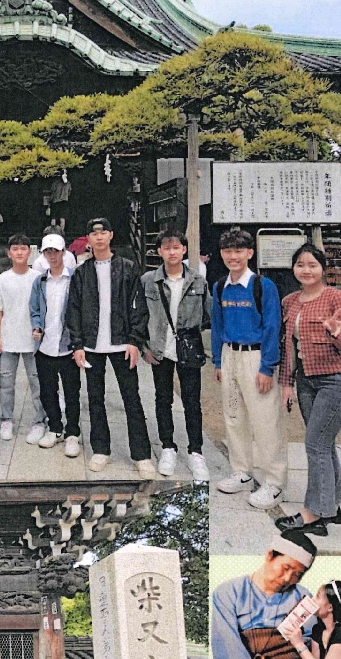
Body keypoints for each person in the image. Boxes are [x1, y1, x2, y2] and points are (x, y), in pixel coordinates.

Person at [276, 244, 341, 533]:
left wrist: (335, 331)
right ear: (294, 269)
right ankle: (332, 505)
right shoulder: (290, 301)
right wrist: (286, 383)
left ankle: (315, 514)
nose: (306, 270)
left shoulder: (337, 298)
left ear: (323, 268)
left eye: (312, 265)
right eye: (300, 265)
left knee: (315, 444)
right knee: (324, 443)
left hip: (337, 380)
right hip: (306, 381)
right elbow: (288, 346)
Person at [63, 215, 154, 478]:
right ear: (88, 239)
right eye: (94, 233)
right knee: (95, 400)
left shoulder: (127, 267)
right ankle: (101, 450)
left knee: (132, 399)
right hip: (92, 346)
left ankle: (142, 455)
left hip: (121, 343)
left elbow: (138, 307)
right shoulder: (81, 273)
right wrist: (77, 345)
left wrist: (135, 341)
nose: (99, 237)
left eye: (104, 232)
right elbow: (74, 310)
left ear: (111, 235)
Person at [211, 227, 285, 508]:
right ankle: (241, 471)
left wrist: (267, 367)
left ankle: (273, 482)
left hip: (256, 357)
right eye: (228, 251)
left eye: (239, 250)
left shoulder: (262, 286)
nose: (233, 256)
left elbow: (272, 327)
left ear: (250, 253)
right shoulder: (220, 287)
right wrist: (218, 361)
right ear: (222, 254)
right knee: (234, 416)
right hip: (230, 355)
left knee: (266, 421)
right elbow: (217, 325)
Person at [209, 533, 318, 659]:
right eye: (285, 568)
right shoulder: (228, 592)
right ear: (269, 555)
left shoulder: (302, 595)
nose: (287, 578)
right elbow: (229, 642)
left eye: (297, 575)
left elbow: (315, 638)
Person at [142, 227, 210, 484]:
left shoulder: (197, 281)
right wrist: (144, 346)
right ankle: (168, 447)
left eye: (176, 247)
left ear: (184, 249)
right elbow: (141, 316)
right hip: (160, 348)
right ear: (159, 251)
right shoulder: (148, 280)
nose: (172, 252)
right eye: (166, 248)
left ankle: (196, 451)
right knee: (162, 399)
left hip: (188, 349)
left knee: (192, 401)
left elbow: (207, 315)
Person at [0, 232, 47, 445]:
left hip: (33, 341)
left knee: (37, 381)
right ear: (9, 253)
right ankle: (6, 419)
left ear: (30, 252)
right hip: (8, 338)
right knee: (5, 381)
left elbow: (43, 308)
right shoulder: (2, 279)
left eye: (24, 248)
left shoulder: (38, 278)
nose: (20, 252)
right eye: (15, 249)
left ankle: (40, 420)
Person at [30, 232, 77, 454]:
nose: (52, 255)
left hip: (68, 345)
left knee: (72, 390)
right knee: (48, 390)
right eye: (48, 251)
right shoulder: (40, 281)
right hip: (45, 345)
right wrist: (36, 326)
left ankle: (73, 432)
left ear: (63, 252)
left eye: (56, 251)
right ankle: (55, 427)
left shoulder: (75, 279)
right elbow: (35, 309)